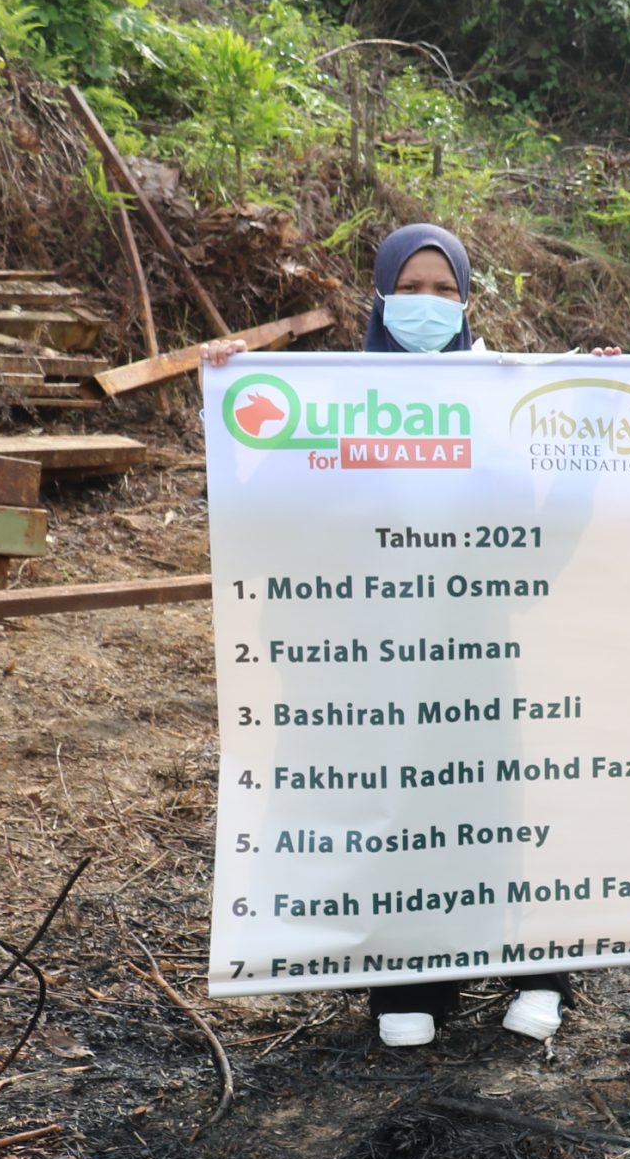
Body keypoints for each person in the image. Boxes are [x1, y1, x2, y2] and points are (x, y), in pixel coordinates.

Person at [206, 224, 580, 1050]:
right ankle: (411, 976)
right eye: (412, 287)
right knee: (395, 810)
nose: (429, 304)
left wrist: (595, 412)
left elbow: (540, 546)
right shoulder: (334, 402)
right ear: (378, 294)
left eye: (446, 290)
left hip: (474, 655)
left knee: (490, 812)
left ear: (468, 300)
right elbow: (264, 521)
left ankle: (539, 968)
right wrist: (227, 408)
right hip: (370, 661)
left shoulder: (499, 398)